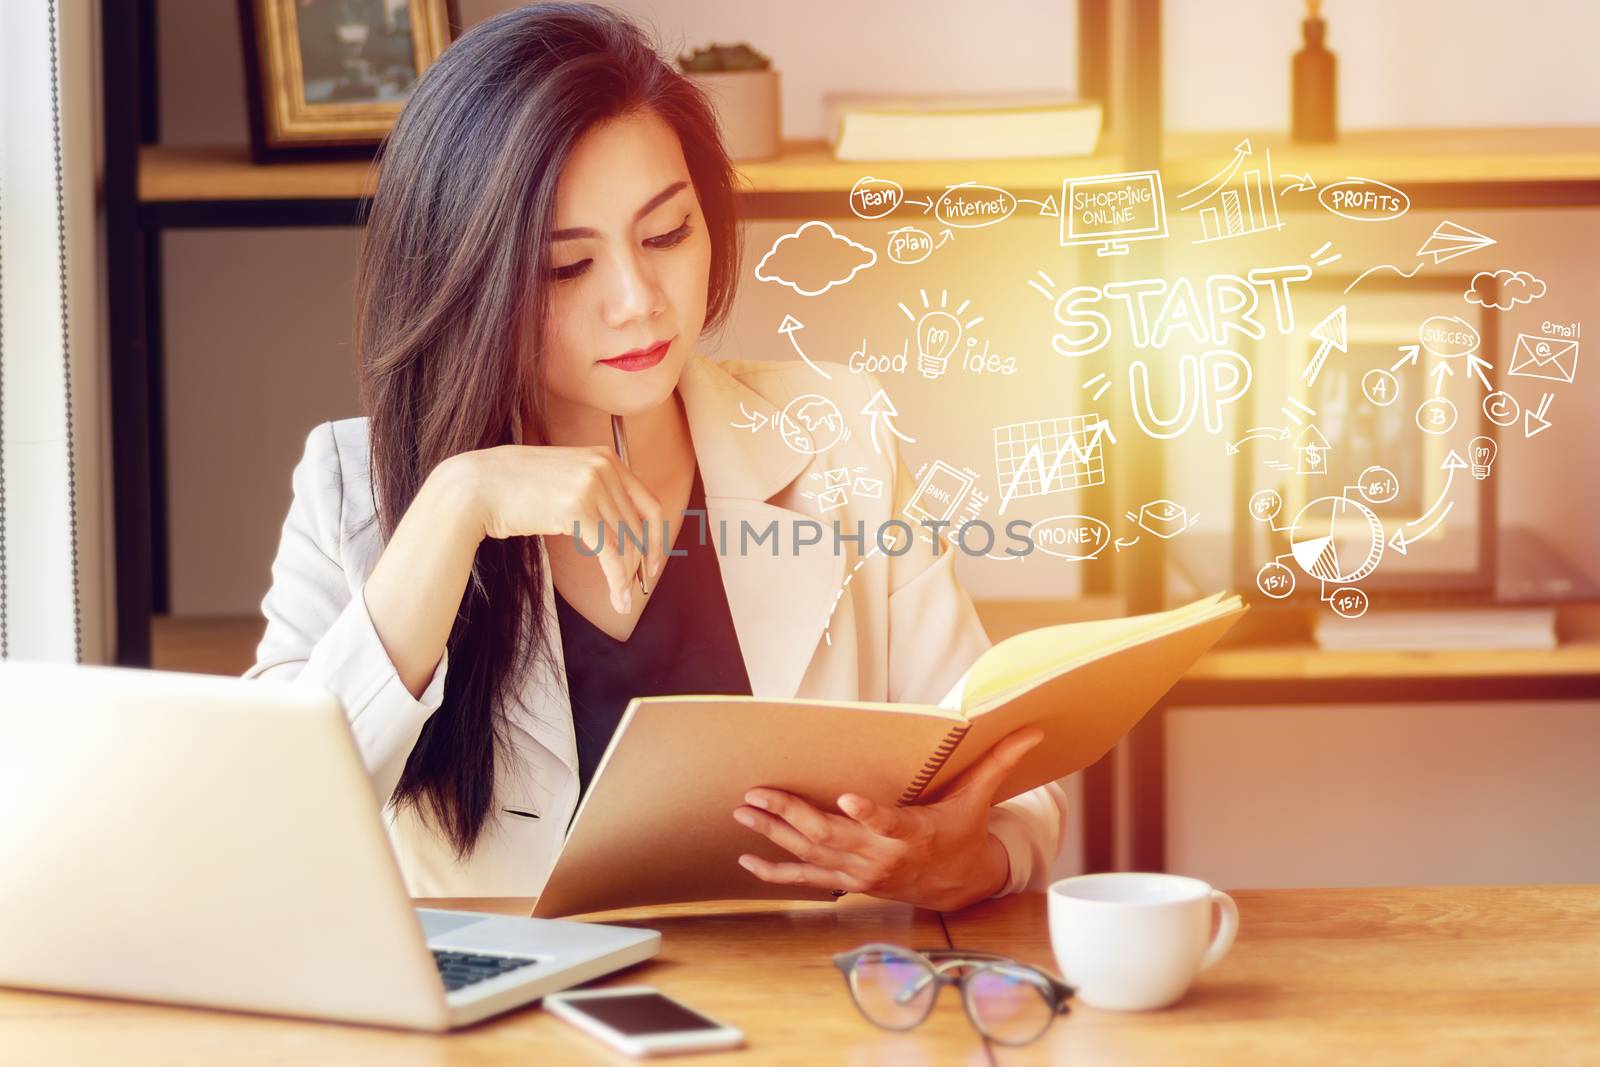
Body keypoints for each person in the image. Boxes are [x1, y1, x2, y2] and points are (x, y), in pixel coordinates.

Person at [245, 2, 1069, 911]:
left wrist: (967, 861)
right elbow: (273, 820)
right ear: (462, 275)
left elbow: (1000, 775)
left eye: (666, 234)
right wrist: (457, 506)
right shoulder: (357, 491)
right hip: (508, 1043)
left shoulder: (835, 430)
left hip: (803, 1025)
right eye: (566, 267)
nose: (637, 300)